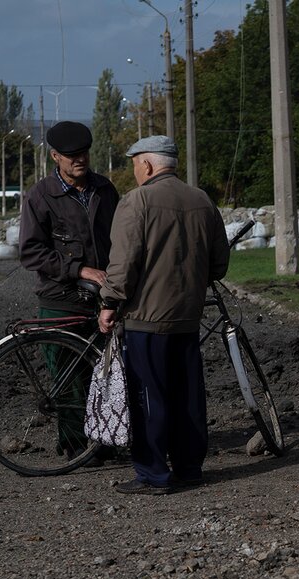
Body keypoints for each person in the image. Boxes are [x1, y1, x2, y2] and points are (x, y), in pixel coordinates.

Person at [98, 135, 229, 495]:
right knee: (187, 397)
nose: (135, 171)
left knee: (148, 397)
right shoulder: (202, 201)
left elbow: (122, 265)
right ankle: (189, 468)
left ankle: (154, 474)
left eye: (135, 164)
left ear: (148, 165)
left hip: (146, 318)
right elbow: (219, 265)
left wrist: (108, 302)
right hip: (187, 317)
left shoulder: (136, 202)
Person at [18, 121, 121, 461]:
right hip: (60, 300)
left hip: (103, 298)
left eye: (84, 153)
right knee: (69, 377)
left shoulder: (105, 191)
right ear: (55, 157)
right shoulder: (40, 196)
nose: (80, 160)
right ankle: (77, 446)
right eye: (72, 155)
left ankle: (107, 439)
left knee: (108, 372)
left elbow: (120, 240)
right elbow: (31, 252)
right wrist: (78, 269)